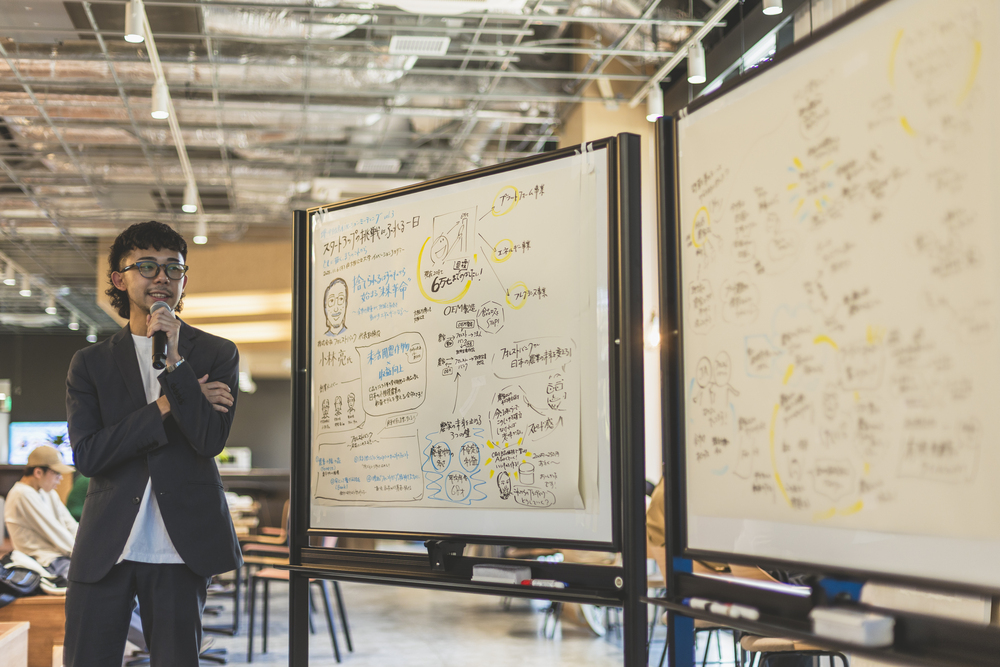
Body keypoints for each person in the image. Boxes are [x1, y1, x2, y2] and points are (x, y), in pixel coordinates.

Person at [64, 220, 242, 667]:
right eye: (147, 266)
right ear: (119, 279)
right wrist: (168, 404)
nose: (162, 276)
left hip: (181, 545)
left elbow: (208, 440)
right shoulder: (90, 363)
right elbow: (90, 455)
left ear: (184, 281)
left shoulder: (217, 353)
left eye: (173, 268)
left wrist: (177, 362)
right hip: (106, 545)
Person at [4, 445, 77, 579]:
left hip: (61, 555)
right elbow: (54, 531)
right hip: (46, 561)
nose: (60, 478)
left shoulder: (48, 492)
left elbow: (71, 525)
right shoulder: (22, 494)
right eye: (57, 473)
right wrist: (83, 553)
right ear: (38, 472)